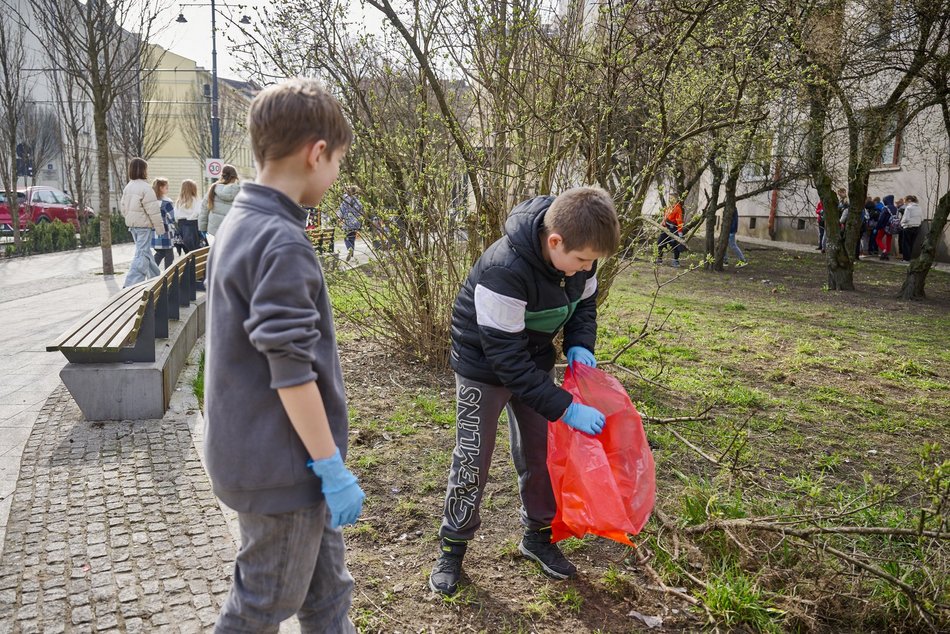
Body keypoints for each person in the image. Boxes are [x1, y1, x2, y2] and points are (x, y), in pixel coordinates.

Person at [204, 78, 364, 631]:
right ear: (316, 152)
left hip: (262, 456)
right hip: (283, 468)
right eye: (338, 160)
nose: (336, 174)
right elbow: (292, 373)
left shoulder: (238, 223)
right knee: (261, 605)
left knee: (327, 594)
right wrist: (329, 467)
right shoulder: (281, 240)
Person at [428, 186, 620, 596]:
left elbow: (585, 305)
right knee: (472, 457)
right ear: (554, 242)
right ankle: (452, 549)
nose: (586, 268)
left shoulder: (580, 257)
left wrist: (580, 344)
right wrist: (564, 407)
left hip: (531, 358)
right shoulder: (504, 269)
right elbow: (506, 362)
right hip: (484, 365)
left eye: (592, 262)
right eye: (582, 260)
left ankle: (537, 537)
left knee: (542, 453)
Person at [120, 157, 163, 288]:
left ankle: (157, 280)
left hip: (133, 226)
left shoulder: (128, 187)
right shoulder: (146, 188)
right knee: (141, 254)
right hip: (144, 226)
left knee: (145, 253)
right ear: (144, 170)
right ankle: (130, 285)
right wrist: (160, 228)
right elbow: (153, 211)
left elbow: (123, 207)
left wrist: (129, 218)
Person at [199, 164, 241, 237]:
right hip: (233, 232)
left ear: (222, 176)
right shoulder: (241, 192)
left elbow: (204, 210)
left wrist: (202, 228)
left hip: (213, 232)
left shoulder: (213, 189)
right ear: (235, 177)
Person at [151, 178, 176, 269]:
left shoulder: (151, 202)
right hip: (166, 232)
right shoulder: (166, 202)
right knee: (170, 256)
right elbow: (173, 217)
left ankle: (152, 272)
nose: (168, 189)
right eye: (166, 187)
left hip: (154, 232)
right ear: (161, 188)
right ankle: (167, 278)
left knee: (160, 253)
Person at [174, 179, 202, 253]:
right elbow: (199, 212)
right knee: (197, 250)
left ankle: (189, 264)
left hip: (182, 227)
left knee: (187, 251)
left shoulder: (179, 201)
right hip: (193, 226)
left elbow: (175, 216)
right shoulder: (196, 200)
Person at [338, 185, 363, 261]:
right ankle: (351, 252)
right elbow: (360, 212)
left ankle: (349, 249)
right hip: (356, 223)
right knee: (352, 237)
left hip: (347, 223)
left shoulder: (345, 200)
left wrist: (340, 218)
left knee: (347, 238)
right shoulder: (358, 201)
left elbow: (341, 210)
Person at [656, 199, 684, 267]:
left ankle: (675, 261)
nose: (671, 201)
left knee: (675, 244)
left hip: (673, 229)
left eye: (672, 199)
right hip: (666, 228)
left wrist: (680, 231)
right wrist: (662, 224)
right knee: (660, 242)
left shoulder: (678, 209)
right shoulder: (669, 207)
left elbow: (679, 220)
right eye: (670, 199)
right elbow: (665, 217)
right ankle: (659, 259)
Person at [900, 194, 923, 261]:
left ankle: (906, 259)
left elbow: (906, 218)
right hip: (917, 227)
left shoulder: (909, 208)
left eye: (905, 202)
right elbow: (922, 218)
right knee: (911, 244)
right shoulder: (919, 207)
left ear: (909, 200)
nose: (905, 203)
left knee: (905, 244)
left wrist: (902, 223)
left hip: (908, 227)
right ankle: (909, 258)